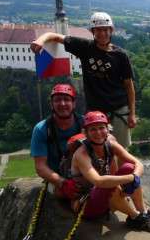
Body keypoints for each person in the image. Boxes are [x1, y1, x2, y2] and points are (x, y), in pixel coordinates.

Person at [30, 12, 136, 148]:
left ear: (111, 31)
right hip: (96, 112)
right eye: (98, 30)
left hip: (119, 109)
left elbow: (129, 86)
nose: (102, 34)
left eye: (105, 30)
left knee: (121, 150)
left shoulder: (121, 55)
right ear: (93, 31)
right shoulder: (85, 47)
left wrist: (132, 113)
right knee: (97, 150)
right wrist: (40, 41)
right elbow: (54, 36)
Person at [70, 111, 150, 231]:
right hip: (86, 205)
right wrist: (131, 178)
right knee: (110, 184)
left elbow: (138, 163)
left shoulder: (110, 144)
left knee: (129, 167)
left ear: (107, 129)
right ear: (86, 133)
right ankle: (135, 217)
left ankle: (143, 212)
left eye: (101, 128)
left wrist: (134, 178)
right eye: (93, 129)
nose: (98, 133)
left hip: (103, 197)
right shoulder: (81, 154)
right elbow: (98, 181)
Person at [30, 83, 83, 196]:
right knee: (69, 196)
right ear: (51, 104)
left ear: (74, 103)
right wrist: (62, 182)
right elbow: (40, 166)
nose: (62, 104)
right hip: (57, 178)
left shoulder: (85, 124)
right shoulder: (42, 129)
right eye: (57, 100)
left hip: (84, 174)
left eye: (66, 100)